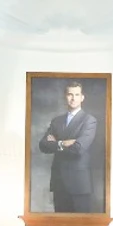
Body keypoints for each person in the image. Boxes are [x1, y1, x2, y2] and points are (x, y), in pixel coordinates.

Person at [37, 81, 101, 213]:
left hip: (79, 185)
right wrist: (62, 143)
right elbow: (43, 145)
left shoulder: (89, 120)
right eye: (70, 94)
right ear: (65, 97)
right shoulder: (57, 121)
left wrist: (55, 143)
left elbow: (78, 148)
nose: (73, 98)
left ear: (82, 97)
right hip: (59, 183)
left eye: (76, 95)